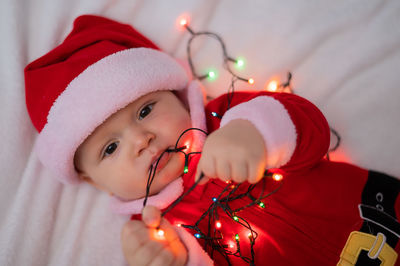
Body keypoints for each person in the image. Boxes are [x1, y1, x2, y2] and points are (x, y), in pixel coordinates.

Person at [24, 15, 399, 266]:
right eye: (110, 148)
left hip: (381, 218)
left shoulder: (227, 118)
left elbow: (311, 130)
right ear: (92, 180)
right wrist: (173, 260)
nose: (142, 139)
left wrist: (254, 133)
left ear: (175, 94)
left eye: (145, 111)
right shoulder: (157, 230)